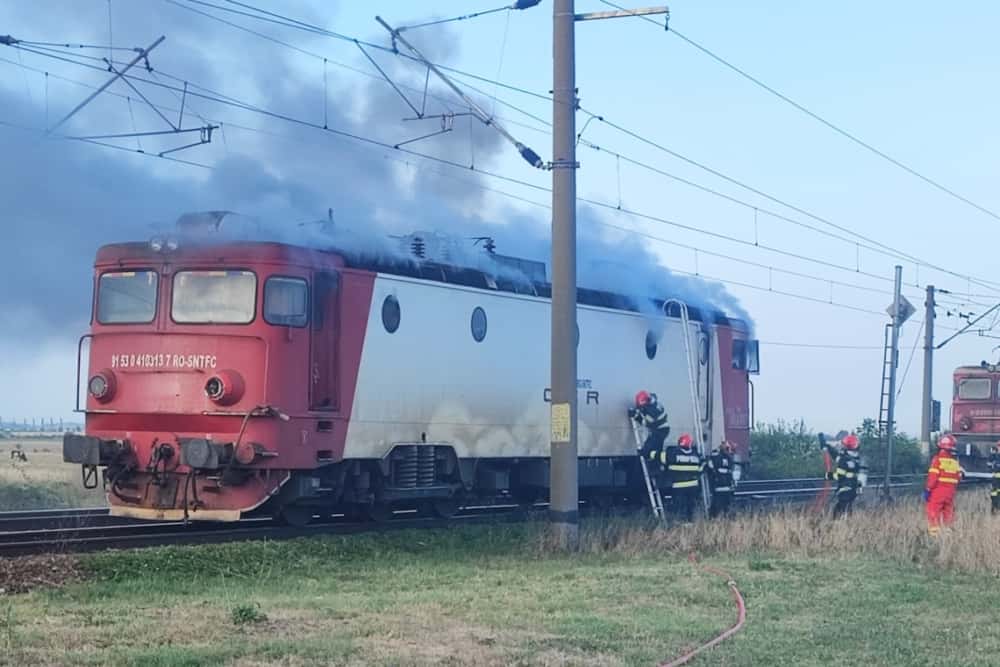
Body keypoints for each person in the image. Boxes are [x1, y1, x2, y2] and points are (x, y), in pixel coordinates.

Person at [924, 434, 962, 535]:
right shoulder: (955, 462)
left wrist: (928, 489)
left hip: (938, 490)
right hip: (950, 493)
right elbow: (958, 478)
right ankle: (948, 534)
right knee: (948, 512)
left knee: (933, 510)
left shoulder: (937, 460)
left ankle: (934, 535)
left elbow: (933, 477)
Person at [662, 433, 703, 522]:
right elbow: (701, 468)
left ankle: (679, 523)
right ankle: (690, 523)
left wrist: (648, 453)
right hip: (693, 486)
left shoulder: (673, 453)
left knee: (679, 507)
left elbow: (661, 457)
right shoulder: (695, 455)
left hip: (678, 486)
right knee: (690, 506)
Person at [629, 390, 670, 466]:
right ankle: (654, 462)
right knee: (654, 445)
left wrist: (636, 416)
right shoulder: (652, 401)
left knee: (651, 446)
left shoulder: (653, 411)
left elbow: (646, 423)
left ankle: (652, 462)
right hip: (661, 429)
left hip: (660, 430)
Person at [830, 433, 866, 518]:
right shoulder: (857, 460)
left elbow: (840, 476)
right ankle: (847, 524)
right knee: (847, 507)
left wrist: (828, 476)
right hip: (853, 489)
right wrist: (828, 447)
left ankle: (842, 525)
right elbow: (836, 456)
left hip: (845, 488)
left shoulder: (844, 460)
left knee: (841, 509)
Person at [706, 440, 737, 518]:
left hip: (718, 488)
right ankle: (724, 520)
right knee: (726, 508)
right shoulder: (730, 460)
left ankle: (713, 520)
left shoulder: (716, 458)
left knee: (716, 509)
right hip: (726, 488)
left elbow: (710, 468)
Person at [990, 443, 1000, 515]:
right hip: (995, 479)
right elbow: (989, 464)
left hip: (997, 479)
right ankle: (994, 508)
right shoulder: (994, 456)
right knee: (994, 493)